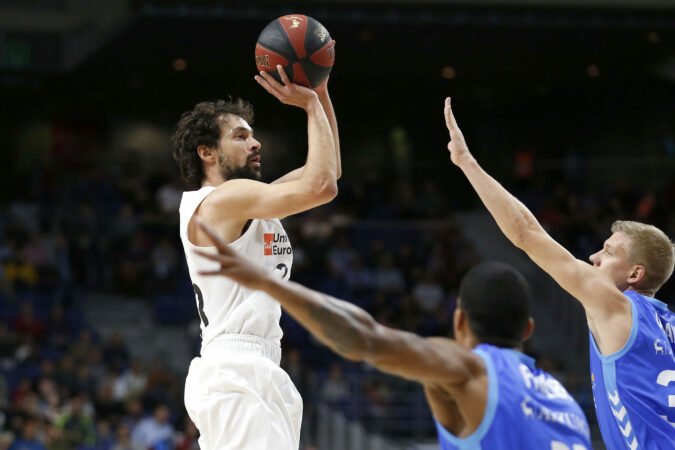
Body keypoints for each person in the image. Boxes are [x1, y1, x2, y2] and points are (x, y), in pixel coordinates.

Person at [193, 218, 592, 449]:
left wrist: (269, 284)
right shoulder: (568, 406)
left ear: (459, 322)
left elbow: (363, 338)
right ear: (528, 329)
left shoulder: (471, 369)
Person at [442, 97, 675, 448]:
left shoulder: (615, 305)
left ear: (635, 275)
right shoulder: (668, 327)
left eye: (609, 252)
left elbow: (527, 234)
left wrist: (467, 162)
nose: (594, 257)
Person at [171, 64, 340, 450]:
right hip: (235, 369)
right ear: (207, 152)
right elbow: (322, 186)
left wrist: (321, 92)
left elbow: (329, 170)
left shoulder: (246, 204)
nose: (255, 143)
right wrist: (311, 106)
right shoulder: (222, 201)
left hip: (258, 366)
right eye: (241, 136)